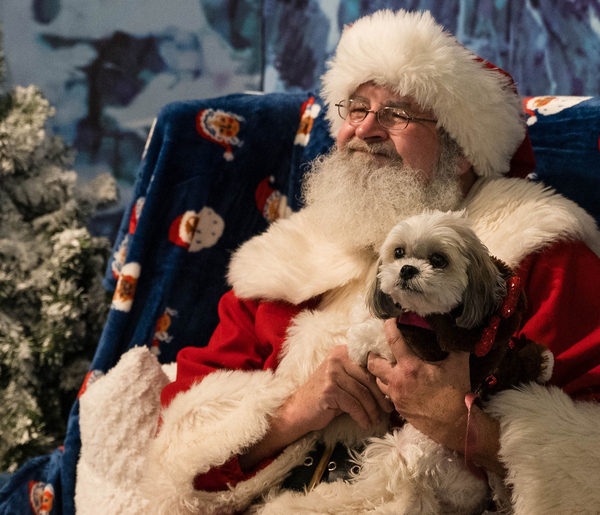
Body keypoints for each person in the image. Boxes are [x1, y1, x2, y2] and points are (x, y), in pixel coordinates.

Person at [144, 9, 600, 515]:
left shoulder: (535, 252)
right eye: (356, 107)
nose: (364, 128)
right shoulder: (290, 259)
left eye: (397, 113)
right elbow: (179, 449)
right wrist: (296, 412)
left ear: (462, 148)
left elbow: (589, 461)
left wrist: (461, 426)